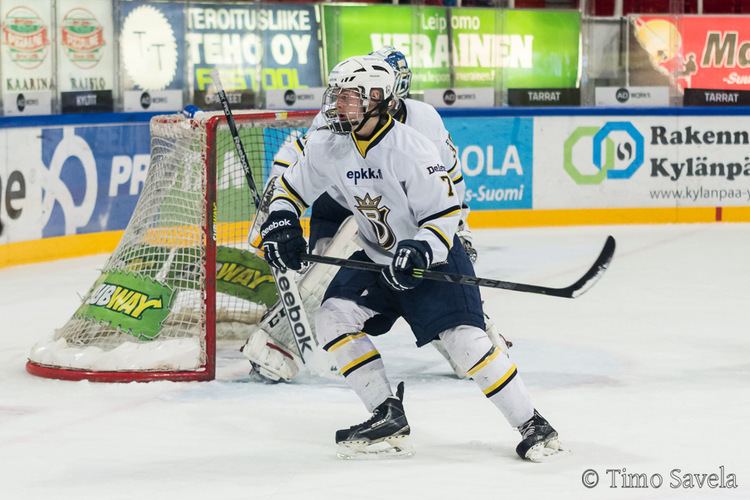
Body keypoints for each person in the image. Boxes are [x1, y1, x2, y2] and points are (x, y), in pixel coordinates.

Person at [258, 55, 562, 461]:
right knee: (333, 315)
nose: (336, 104)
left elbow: (443, 215)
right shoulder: (329, 143)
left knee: (465, 343)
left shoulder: (413, 148)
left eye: (348, 96)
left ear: (377, 99)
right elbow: (290, 188)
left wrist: (420, 249)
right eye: (337, 95)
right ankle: (386, 413)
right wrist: (281, 221)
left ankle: (533, 424)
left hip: (431, 260)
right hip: (376, 258)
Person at [241, 48, 509, 383]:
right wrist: (278, 216)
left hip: (402, 210)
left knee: (432, 272)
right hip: (341, 204)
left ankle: (472, 340)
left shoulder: (424, 121)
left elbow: (450, 181)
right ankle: (279, 344)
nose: (345, 102)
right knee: (323, 277)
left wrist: (458, 226)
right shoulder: (338, 114)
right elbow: (299, 166)